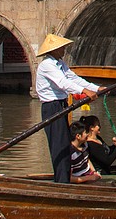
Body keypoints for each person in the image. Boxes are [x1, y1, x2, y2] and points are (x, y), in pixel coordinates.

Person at [34, 34, 102, 184]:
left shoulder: (60, 64)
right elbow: (63, 83)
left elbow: (74, 79)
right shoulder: (47, 65)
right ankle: (62, 181)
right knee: (59, 145)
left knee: (65, 143)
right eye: (62, 47)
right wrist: (84, 91)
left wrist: (96, 88)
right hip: (51, 107)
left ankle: (63, 179)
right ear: (54, 49)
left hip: (61, 105)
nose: (64, 49)